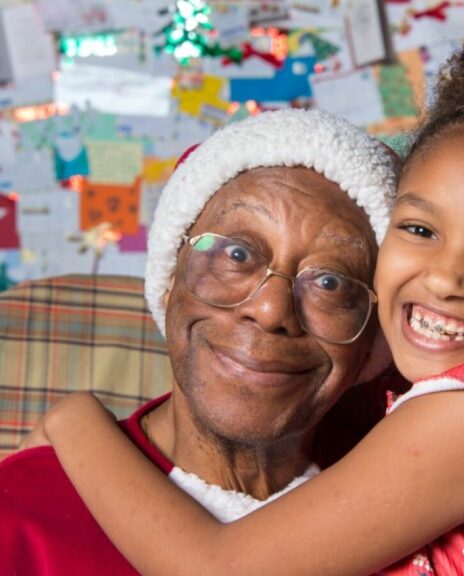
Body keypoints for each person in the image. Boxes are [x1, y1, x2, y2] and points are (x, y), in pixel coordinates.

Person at [24, 12, 464, 576]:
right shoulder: (463, 414)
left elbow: (219, 569)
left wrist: (75, 421)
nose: (446, 277)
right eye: (418, 229)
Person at [0, 108, 400, 574]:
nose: (270, 310)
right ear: (170, 276)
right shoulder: (17, 514)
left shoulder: (416, 509)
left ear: (372, 343)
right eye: (237, 254)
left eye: (331, 283)